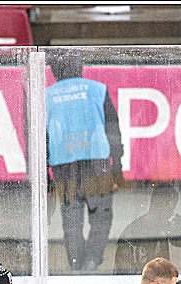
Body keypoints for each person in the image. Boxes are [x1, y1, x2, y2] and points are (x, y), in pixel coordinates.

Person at [46, 51, 124, 272]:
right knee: (101, 216)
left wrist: (45, 175)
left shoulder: (47, 96)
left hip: (63, 165)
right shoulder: (97, 89)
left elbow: (42, 137)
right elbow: (113, 130)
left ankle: (76, 264)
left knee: (71, 219)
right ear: (79, 67)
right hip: (96, 161)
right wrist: (117, 166)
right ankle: (92, 260)